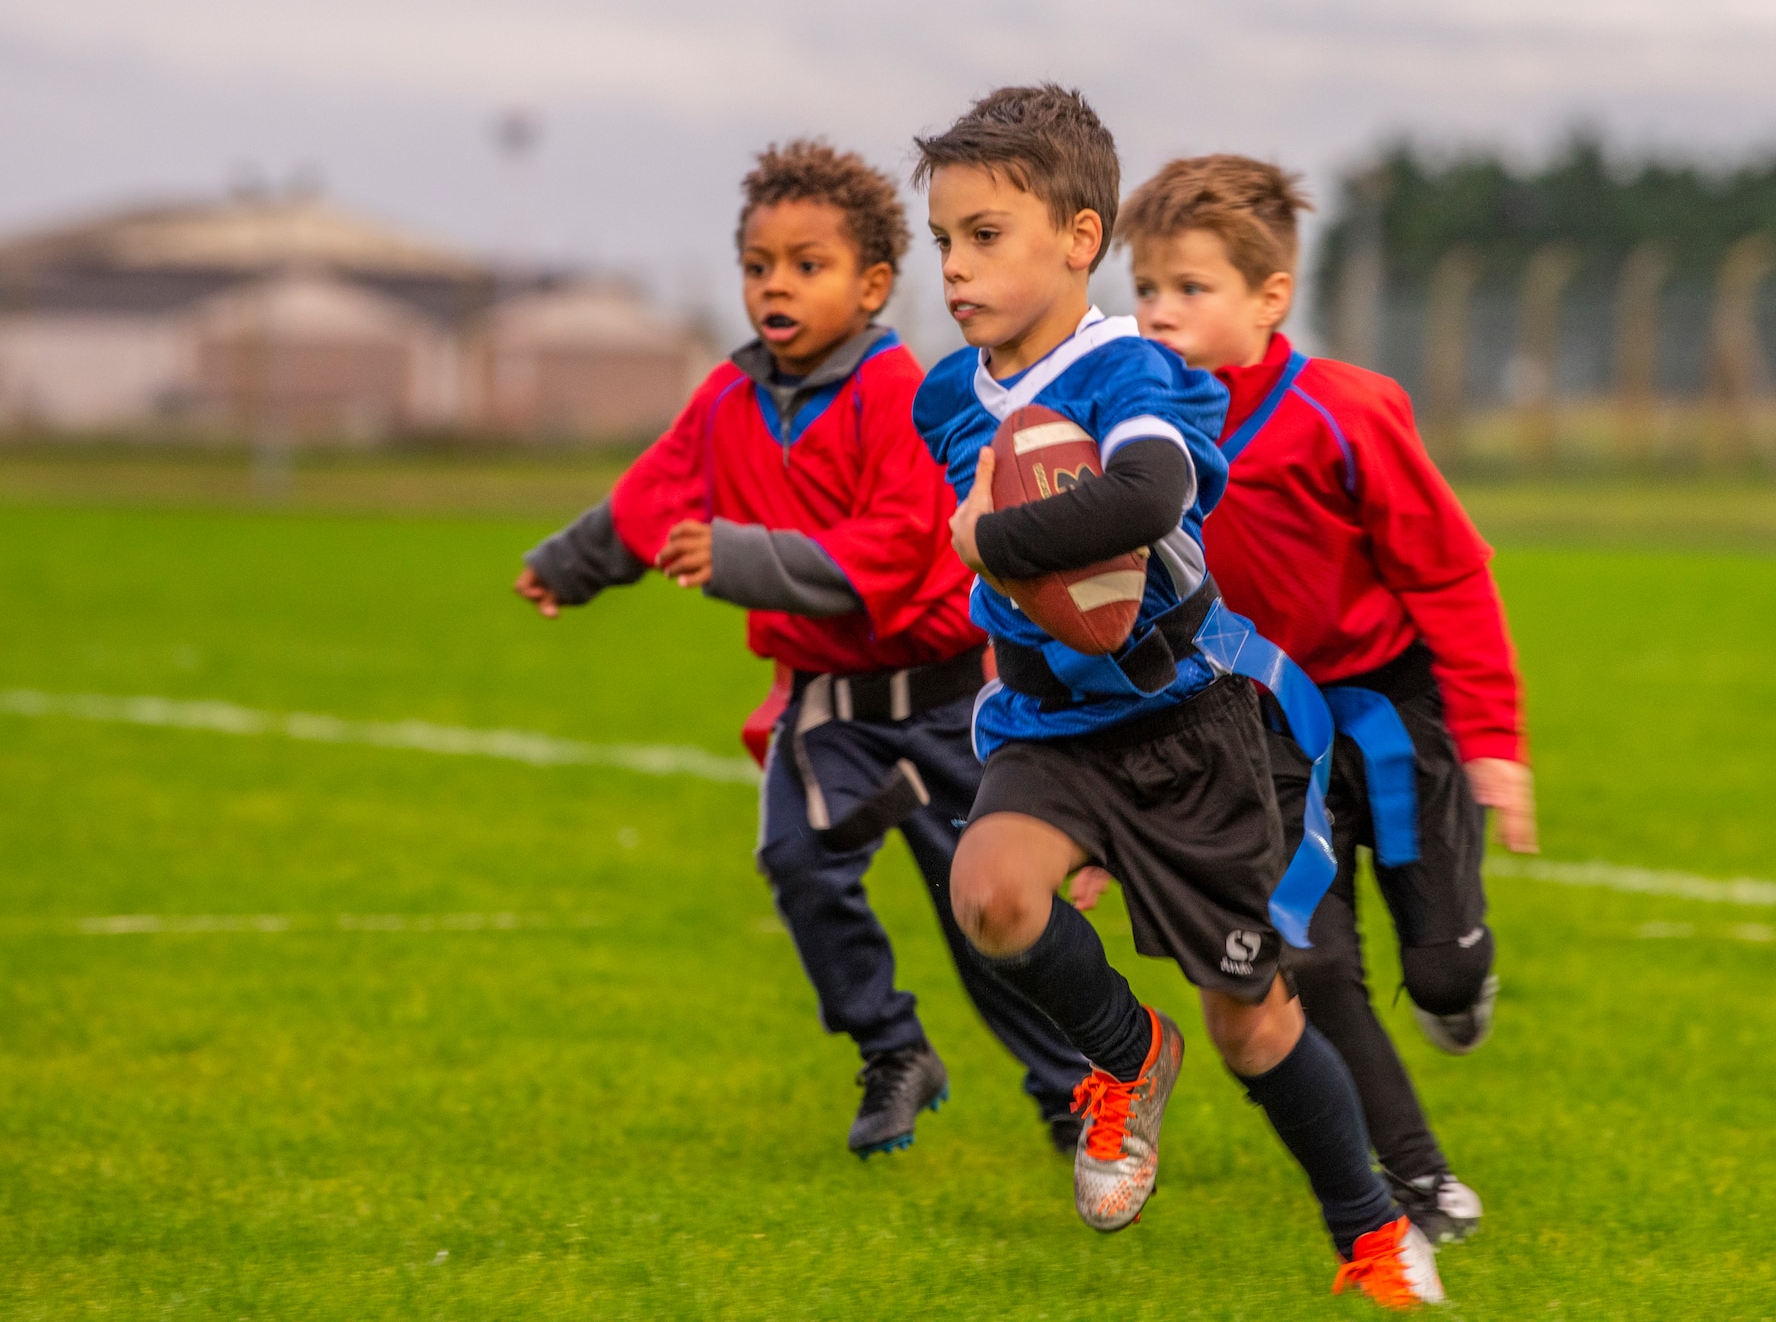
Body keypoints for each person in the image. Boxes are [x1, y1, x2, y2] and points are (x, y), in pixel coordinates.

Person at [911, 85, 1444, 1307]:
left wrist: (995, 539)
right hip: (1048, 726)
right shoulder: (946, 395)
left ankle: (1366, 1233)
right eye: (942, 239)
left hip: (1184, 730)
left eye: (984, 235)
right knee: (989, 896)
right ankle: (1120, 1053)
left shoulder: (1136, 371)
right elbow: (992, 557)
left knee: (1251, 1023)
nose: (953, 265)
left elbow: (1146, 499)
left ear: (1079, 239)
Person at [514, 140, 1092, 1159]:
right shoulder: (727, 398)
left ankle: (1074, 1092)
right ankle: (891, 1049)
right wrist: (568, 563)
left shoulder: (898, 392)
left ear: (872, 284)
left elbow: (897, 547)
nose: (775, 284)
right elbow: (653, 492)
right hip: (828, 713)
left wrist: (739, 556)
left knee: (987, 919)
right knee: (795, 858)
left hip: (946, 707)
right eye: (757, 264)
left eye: (806, 264)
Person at [1113, 153, 1536, 1246]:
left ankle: (1454, 983)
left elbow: (1448, 574)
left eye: (1188, 289)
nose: (1158, 312)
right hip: (1255, 733)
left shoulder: (1346, 411)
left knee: (1439, 967)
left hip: (1391, 711)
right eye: (1144, 287)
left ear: (1268, 298)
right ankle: (1415, 1178)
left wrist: (1493, 741)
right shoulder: (1124, 434)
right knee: (1309, 964)